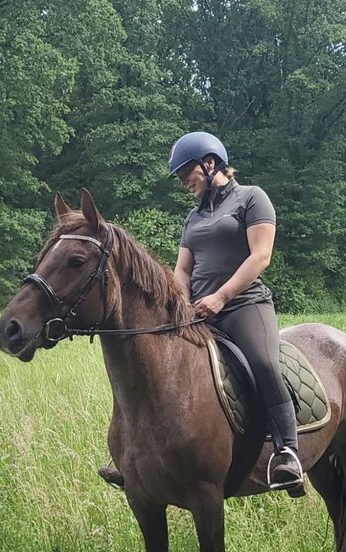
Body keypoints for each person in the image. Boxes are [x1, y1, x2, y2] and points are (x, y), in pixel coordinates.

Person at [98, 131, 305, 497]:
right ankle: (137, 458)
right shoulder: (193, 218)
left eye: (186, 173)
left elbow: (260, 256)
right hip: (199, 311)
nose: (183, 182)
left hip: (244, 306)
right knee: (156, 366)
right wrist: (178, 302)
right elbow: (183, 270)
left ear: (210, 164)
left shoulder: (252, 198)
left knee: (263, 363)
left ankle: (287, 451)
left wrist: (222, 297)